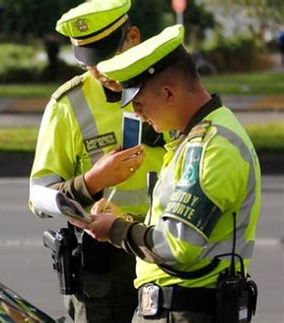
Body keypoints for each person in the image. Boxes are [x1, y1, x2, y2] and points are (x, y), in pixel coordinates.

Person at [70, 24, 262, 322]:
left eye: (140, 103)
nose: (138, 114)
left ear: (169, 93)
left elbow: (177, 246)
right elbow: (177, 227)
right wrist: (125, 221)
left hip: (187, 311)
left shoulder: (212, 147)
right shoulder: (194, 140)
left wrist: (114, 230)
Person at [29, 0, 167, 322]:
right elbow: (38, 197)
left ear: (133, 36)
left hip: (164, 255)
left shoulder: (168, 91)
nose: (100, 71)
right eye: (90, 62)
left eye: (106, 57)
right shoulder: (67, 105)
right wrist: (92, 181)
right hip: (104, 272)